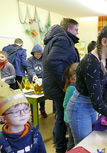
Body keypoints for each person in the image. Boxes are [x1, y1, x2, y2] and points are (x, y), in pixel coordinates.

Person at [42, 18, 80, 153]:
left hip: (54, 86)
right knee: (62, 117)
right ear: (68, 29)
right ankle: (60, 147)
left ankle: (58, 142)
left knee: (60, 115)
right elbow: (52, 63)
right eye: (76, 29)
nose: (77, 33)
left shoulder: (57, 38)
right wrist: (65, 84)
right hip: (59, 86)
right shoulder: (63, 40)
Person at [0, 81, 46, 153]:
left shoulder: (35, 133)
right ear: (3, 118)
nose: (22, 113)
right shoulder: (1, 141)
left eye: (25, 109)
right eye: (16, 111)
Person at [26, 44, 47, 118]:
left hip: (42, 80)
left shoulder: (44, 59)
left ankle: (42, 109)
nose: (38, 55)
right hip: (33, 80)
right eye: (36, 54)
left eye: (39, 54)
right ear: (33, 53)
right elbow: (30, 69)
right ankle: (33, 112)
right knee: (33, 98)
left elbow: (46, 69)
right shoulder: (29, 60)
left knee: (41, 96)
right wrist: (34, 75)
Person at [63, 63, 78, 151]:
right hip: (70, 119)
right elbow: (65, 104)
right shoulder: (71, 88)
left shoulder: (76, 86)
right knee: (72, 142)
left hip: (73, 118)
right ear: (74, 75)